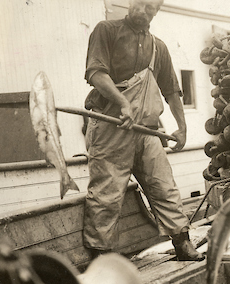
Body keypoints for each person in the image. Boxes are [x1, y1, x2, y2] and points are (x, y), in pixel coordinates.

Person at [83, 0, 203, 261]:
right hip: (112, 128)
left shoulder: (158, 47)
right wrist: (122, 102)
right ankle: (101, 260)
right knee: (106, 194)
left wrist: (182, 128)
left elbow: (171, 91)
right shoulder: (107, 30)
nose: (145, 11)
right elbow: (95, 73)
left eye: (152, 8)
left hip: (148, 132)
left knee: (164, 187)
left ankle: (182, 243)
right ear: (130, 2)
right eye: (142, 4)